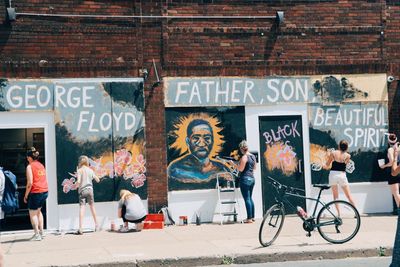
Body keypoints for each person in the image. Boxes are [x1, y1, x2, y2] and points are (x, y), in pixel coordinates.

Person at [167, 119, 231, 183]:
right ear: (187, 141)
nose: (202, 144)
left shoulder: (222, 168)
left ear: (213, 141)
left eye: (207, 138)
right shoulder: (175, 168)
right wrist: (214, 177)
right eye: (196, 138)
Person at [24, 147, 48, 241]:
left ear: (29, 157)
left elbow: (30, 183)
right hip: (45, 191)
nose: (26, 159)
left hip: (36, 192)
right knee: (38, 211)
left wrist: (26, 195)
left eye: (27, 157)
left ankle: (37, 234)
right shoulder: (41, 165)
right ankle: (42, 232)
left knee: (33, 213)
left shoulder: (29, 166)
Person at [325, 140, 356, 210]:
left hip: (333, 174)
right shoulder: (348, 155)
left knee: (335, 196)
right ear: (347, 147)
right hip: (342, 175)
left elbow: (327, 165)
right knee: (348, 195)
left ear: (339, 146)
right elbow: (344, 165)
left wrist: (328, 156)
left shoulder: (333, 153)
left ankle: (338, 215)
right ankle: (356, 212)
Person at [75, 155, 100, 235]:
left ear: (80, 162)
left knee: (82, 207)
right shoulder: (90, 170)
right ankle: (97, 225)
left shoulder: (79, 170)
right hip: (90, 190)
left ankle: (81, 228)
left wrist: (75, 185)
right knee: (92, 207)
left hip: (82, 190)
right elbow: (97, 180)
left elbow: (78, 182)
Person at [237, 140, 256, 223]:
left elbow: (240, 169)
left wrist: (233, 165)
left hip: (245, 179)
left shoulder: (244, 157)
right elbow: (254, 168)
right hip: (252, 179)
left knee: (247, 198)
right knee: (250, 198)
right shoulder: (253, 156)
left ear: (241, 148)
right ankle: (252, 217)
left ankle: (249, 218)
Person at [381, 133, 400, 208]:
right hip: (398, 169)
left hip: (393, 171)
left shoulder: (390, 149)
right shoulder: (398, 148)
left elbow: (391, 162)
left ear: (388, 142)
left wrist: (384, 166)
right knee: (397, 193)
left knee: (396, 193)